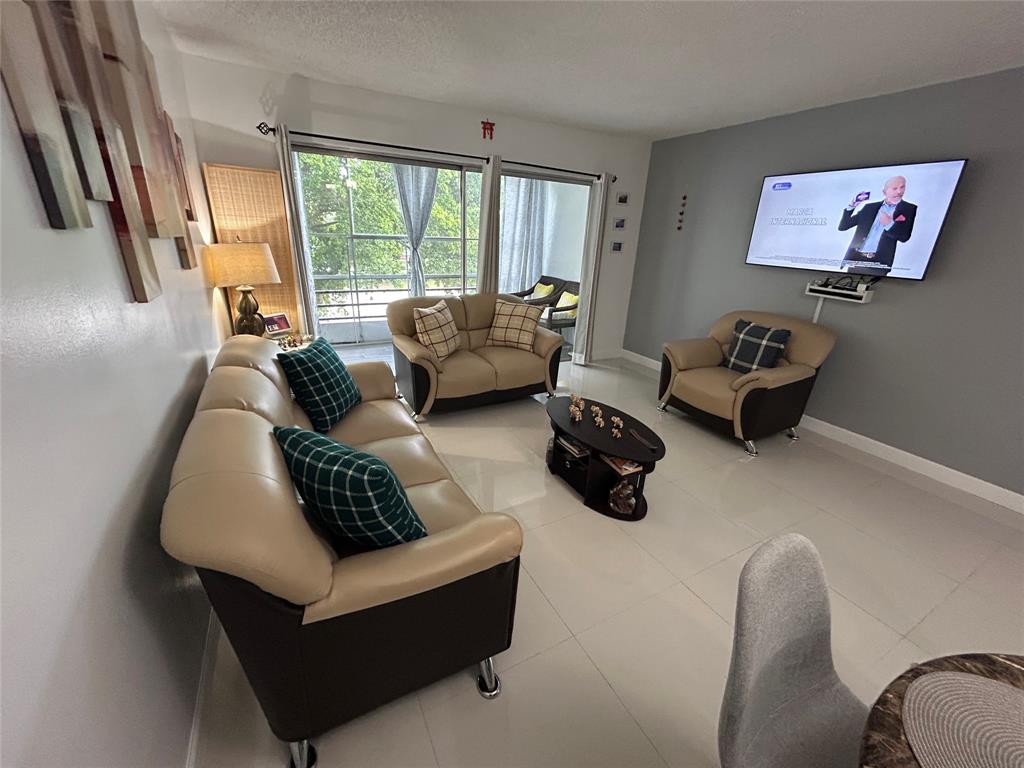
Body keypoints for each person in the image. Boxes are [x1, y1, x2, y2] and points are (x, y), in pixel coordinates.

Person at [838, 176, 916, 276]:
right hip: (857, 259)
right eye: (895, 188)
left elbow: (904, 237)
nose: (899, 191)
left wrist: (889, 224)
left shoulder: (908, 208)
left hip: (879, 264)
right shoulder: (870, 207)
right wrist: (852, 205)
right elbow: (843, 226)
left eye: (902, 187)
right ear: (884, 192)